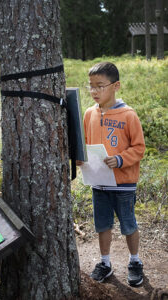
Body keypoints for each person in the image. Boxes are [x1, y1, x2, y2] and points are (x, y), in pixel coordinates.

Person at [76, 62, 145, 286]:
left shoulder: (128, 115)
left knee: (128, 224)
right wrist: (80, 157)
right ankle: (105, 263)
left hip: (123, 183)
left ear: (116, 86)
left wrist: (120, 159)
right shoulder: (89, 114)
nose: (94, 91)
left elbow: (139, 147)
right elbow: (85, 144)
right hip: (99, 182)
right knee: (102, 225)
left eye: (100, 86)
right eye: (91, 87)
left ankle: (135, 261)